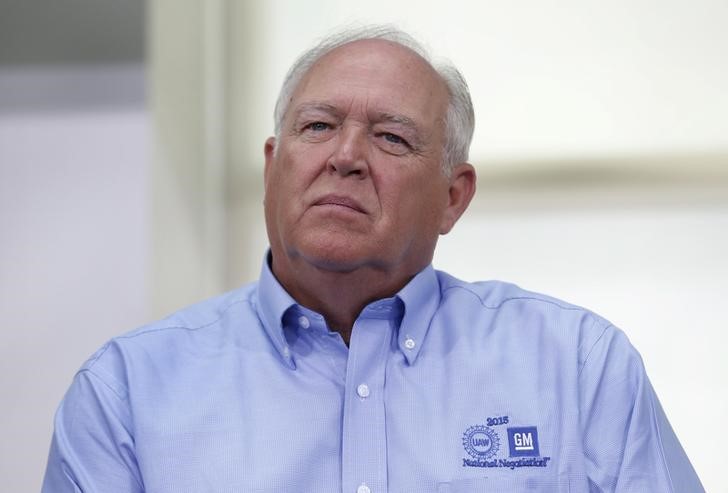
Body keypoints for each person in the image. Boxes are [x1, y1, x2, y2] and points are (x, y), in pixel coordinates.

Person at [42, 25, 704, 492]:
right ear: (272, 168)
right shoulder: (127, 391)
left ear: (453, 196)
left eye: (390, 137)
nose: (346, 156)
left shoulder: (578, 369)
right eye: (318, 126)